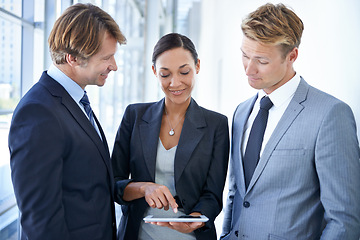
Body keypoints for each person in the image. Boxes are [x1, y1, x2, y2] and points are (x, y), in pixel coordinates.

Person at [221, 3, 360, 240]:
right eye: (245, 55)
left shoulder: (330, 114)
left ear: (292, 56)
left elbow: (344, 220)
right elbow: (236, 193)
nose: (249, 69)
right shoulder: (241, 112)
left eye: (262, 61)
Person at [8, 3, 126, 240]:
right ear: (72, 58)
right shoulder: (38, 112)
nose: (114, 66)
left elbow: (86, 185)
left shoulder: (74, 101)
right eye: (106, 58)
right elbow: (40, 220)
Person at [111, 33, 230, 240]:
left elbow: (212, 195)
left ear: (198, 66)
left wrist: (194, 219)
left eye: (184, 72)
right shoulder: (134, 116)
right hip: (139, 234)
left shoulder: (216, 125)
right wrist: (144, 188)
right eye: (165, 75)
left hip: (190, 236)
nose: (175, 83)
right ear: (154, 72)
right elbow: (114, 184)